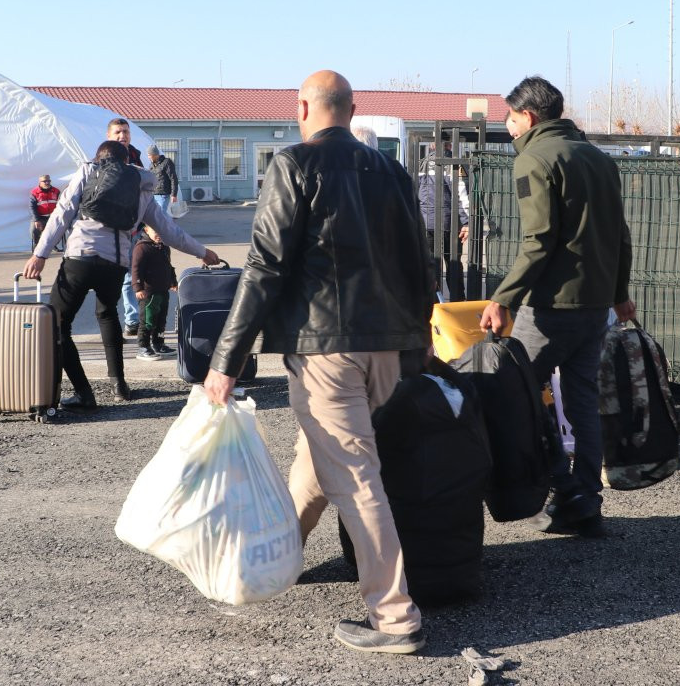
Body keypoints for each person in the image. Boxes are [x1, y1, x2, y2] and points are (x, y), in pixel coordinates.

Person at [203, 70, 432, 655]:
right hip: (387, 346)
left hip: (327, 348)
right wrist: (418, 343)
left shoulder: (293, 164)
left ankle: (394, 616)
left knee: (353, 478)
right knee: (320, 461)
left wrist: (225, 360)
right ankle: (276, 559)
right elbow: (417, 260)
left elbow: (264, 266)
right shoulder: (392, 171)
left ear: (303, 107)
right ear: (353, 111)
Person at [479, 75, 636, 539]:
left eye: (509, 118)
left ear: (527, 116)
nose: (508, 128)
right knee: (583, 401)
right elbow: (621, 237)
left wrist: (502, 299)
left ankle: (560, 489)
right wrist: (619, 294)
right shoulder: (599, 160)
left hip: (551, 308)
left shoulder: (534, 158)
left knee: (515, 395)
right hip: (594, 306)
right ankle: (585, 498)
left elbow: (538, 242)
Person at [22, 140, 220, 409]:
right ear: (126, 162)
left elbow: (62, 214)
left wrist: (40, 254)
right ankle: (119, 386)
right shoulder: (140, 186)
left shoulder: (88, 172)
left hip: (80, 259)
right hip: (115, 264)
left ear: (98, 159)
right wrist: (202, 251)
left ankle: (83, 392)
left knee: (57, 324)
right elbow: (169, 230)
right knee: (107, 315)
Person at [107, 118, 145, 337]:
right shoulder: (103, 159)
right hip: (113, 229)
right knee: (118, 277)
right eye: (118, 132)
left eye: (126, 132)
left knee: (135, 274)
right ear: (110, 137)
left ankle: (133, 321)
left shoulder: (136, 156)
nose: (123, 136)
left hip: (137, 227)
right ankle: (124, 320)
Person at [417, 147, 469, 299]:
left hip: (426, 223)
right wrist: (466, 222)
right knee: (453, 263)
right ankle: (457, 301)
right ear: (451, 146)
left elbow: (416, 192)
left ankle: (433, 302)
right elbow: (463, 196)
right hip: (449, 224)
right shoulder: (455, 164)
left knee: (432, 264)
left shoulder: (422, 164)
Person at [130, 222, 177, 361]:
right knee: (147, 321)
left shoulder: (164, 247)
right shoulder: (141, 248)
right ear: (146, 230)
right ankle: (143, 347)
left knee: (161, 320)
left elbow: (169, 266)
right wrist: (138, 288)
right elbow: (136, 270)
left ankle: (159, 344)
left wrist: (172, 281)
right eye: (155, 231)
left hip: (162, 290)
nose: (159, 234)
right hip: (148, 293)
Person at [148, 144, 182, 220]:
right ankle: (168, 228)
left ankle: (166, 230)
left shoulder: (167, 162)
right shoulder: (151, 165)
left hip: (163, 195)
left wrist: (174, 194)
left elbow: (173, 178)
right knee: (158, 216)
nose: (148, 157)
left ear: (155, 154)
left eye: (150, 155)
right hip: (153, 195)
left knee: (160, 216)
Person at [28, 174, 60, 253]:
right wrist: (36, 220)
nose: (47, 182)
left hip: (53, 217)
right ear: (40, 182)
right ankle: (37, 245)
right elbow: (32, 207)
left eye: (48, 181)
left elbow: (61, 204)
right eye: (44, 181)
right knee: (34, 230)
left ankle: (52, 245)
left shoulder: (56, 191)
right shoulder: (34, 192)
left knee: (57, 230)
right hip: (40, 217)